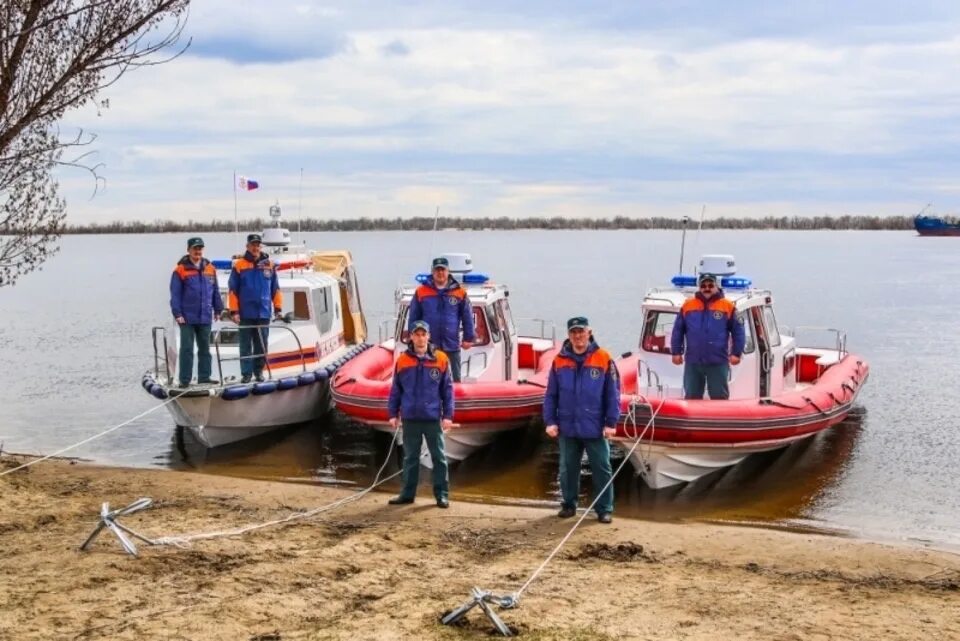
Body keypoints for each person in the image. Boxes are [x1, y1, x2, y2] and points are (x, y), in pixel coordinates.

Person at [543, 317, 620, 523]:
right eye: (573, 332)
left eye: (581, 331)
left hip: (594, 426)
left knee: (602, 468)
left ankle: (604, 509)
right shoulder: (559, 361)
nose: (578, 336)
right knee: (568, 469)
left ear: (589, 333)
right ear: (569, 335)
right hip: (567, 426)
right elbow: (551, 395)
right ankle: (569, 505)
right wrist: (550, 421)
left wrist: (611, 423)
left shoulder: (604, 358)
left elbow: (613, 394)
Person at [387, 320, 455, 508]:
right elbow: (396, 389)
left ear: (428, 336)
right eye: (416, 334)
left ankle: (442, 495)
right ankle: (407, 494)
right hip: (410, 417)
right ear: (411, 337)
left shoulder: (441, 359)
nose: (420, 338)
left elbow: (447, 390)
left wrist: (448, 416)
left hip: (432, 417)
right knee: (410, 458)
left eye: (423, 334)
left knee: (439, 457)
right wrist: (393, 413)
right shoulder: (402, 360)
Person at [670, 272, 746, 400]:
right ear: (699, 287)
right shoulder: (687, 306)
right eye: (703, 285)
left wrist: (736, 353)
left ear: (716, 286)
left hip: (718, 361)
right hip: (693, 361)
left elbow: (738, 331)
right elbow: (678, 330)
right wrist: (676, 352)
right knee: (691, 395)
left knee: (719, 396)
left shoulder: (728, 306)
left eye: (710, 285)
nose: (707, 288)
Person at [407, 257, 475, 382]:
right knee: (429, 379)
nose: (440, 273)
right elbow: (413, 317)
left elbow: (467, 316)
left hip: (452, 345)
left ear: (448, 271)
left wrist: (468, 338)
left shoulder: (460, 292)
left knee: (455, 379)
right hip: (428, 345)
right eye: (437, 270)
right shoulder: (421, 292)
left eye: (443, 270)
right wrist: (413, 338)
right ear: (432, 272)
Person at [228, 233, 282, 384]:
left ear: (261, 247)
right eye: (253, 245)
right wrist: (234, 311)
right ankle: (246, 374)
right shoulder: (239, 265)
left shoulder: (269, 265)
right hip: (245, 313)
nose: (255, 247)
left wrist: (278, 309)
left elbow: (275, 289)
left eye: (258, 245)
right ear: (247, 246)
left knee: (262, 345)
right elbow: (232, 290)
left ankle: (258, 372)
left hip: (263, 312)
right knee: (245, 345)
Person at [169, 237, 223, 387]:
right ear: (189, 250)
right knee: (186, 349)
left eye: (200, 248)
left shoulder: (210, 268)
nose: (197, 251)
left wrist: (218, 309)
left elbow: (215, 291)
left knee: (205, 348)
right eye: (195, 248)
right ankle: (184, 380)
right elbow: (175, 294)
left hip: (205, 316)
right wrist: (177, 313)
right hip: (187, 318)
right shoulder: (180, 270)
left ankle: (204, 377)